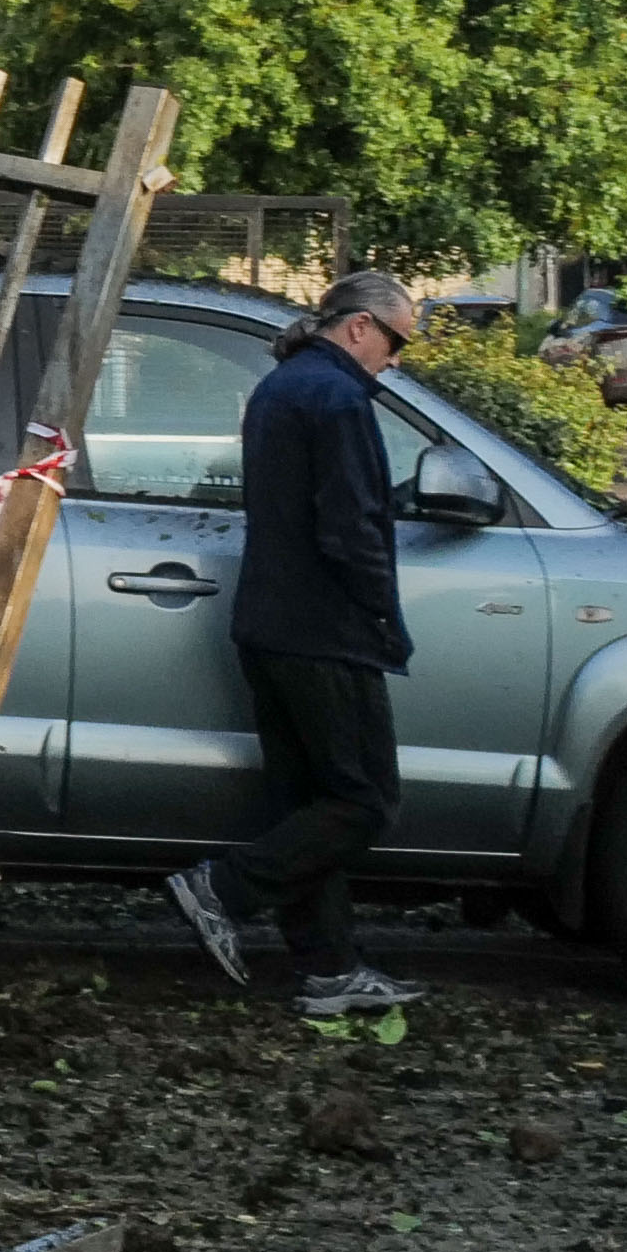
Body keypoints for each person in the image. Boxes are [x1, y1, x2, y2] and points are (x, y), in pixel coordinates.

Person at [168, 271, 431, 1023]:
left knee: (308, 802)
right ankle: (222, 890)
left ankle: (329, 970)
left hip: (270, 626)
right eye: (397, 340)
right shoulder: (340, 399)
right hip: (328, 632)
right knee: (365, 800)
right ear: (359, 327)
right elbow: (350, 529)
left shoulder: (280, 388)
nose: (397, 359)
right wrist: (382, 613)